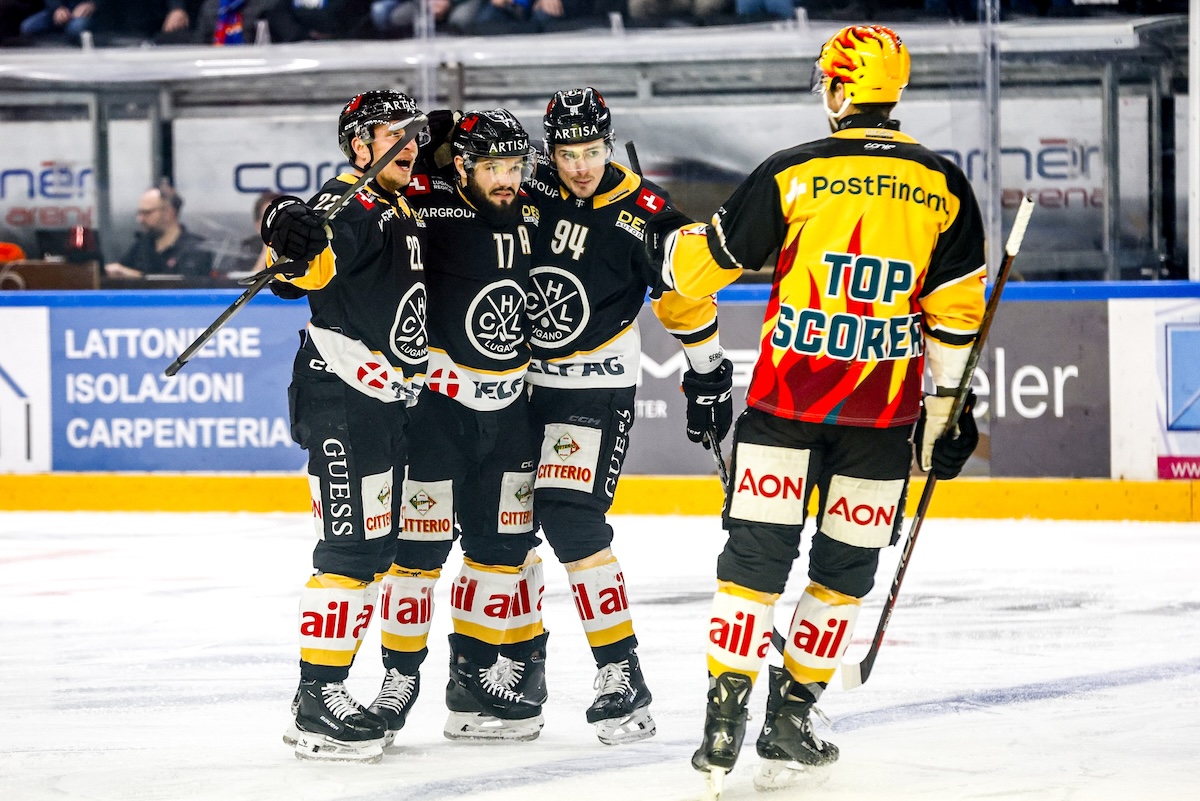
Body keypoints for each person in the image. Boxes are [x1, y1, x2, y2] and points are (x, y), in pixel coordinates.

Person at [648, 25, 985, 791]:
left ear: (837, 89)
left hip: (784, 408)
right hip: (881, 424)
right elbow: (957, 317)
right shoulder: (942, 184)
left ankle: (722, 723)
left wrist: (665, 246)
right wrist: (948, 412)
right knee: (843, 574)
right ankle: (791, 717)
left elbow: (698, 273)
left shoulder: (794, 172)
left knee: (752, 570)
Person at [509, 86, 734, 746]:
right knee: (504, 529)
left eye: (591, 151)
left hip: (595, 384)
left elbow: (683, 294)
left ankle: (620, 671)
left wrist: (708, 371)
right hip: (515, 386)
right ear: (549, 150)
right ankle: (518, 668)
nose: (580, 166)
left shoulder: (647, 213)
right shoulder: (523, 186)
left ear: (608, 144)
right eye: (567, 153)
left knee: (570, 518)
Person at [262, 89, 430, 763]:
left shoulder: (399, 203)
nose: (410, 145)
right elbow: (306, 266)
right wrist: (286, 233)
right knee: (351, 551)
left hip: (382, 400)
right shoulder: (348, 202)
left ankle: (326, 689)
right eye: (393, 134)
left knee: (375, 551)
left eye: (412, 134)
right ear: (359, 146)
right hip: (341, 396)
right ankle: (317, 698)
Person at [371, 108, 547, 746]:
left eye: (514, 166)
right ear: (463, 167)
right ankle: (398, 680)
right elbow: (372, 185)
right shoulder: (426, 202)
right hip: (436, 416)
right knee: (416, 555)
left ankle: (470, 680)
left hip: (511, 417)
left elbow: (602, 195)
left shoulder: (536, 204)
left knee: (500, 552)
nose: (506, 179)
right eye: (491, 167)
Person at [104, 184, 213, 279]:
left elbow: (184, 285)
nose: (140, 219)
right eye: (139, 213)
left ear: (169, 213)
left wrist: (137, 277)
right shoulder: (142, 246)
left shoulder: (196, 248)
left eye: (147, 213)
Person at [19, 1, 95, 44]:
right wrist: (57, 8)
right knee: (28, 27)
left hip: (82, 12)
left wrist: (92, 3)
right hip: (57, 11)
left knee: (77, 27)